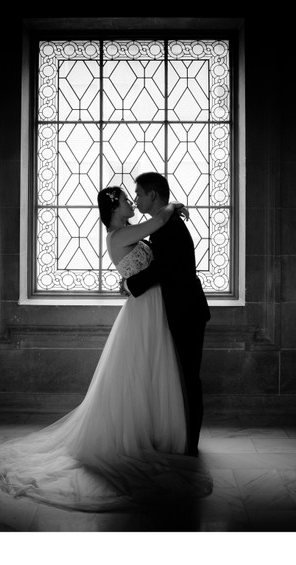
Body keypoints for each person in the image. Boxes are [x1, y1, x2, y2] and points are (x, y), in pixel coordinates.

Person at [0, 185, 212, 512]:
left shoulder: (125, 232)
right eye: (126, 199)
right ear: (114, 207)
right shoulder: (119, 235)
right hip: (143, 313)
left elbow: (152, 259)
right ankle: (139, 438)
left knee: (152, 374)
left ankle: (155, 434)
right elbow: (160, 220)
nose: (132, 202)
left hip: (153, 309)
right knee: (138, 374)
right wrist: (174, 205)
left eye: (134, 197)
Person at [123, 172, 211, 457]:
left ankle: (190, 444)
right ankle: (183, 438)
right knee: (181, 376)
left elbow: (165, 268)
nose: (135, 200)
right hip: (183, 307)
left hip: (186, 310)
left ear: (152, 195)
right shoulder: (165, 222)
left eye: (138, 193)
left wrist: (131, 284)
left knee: (187, 377)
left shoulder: (168, 226)